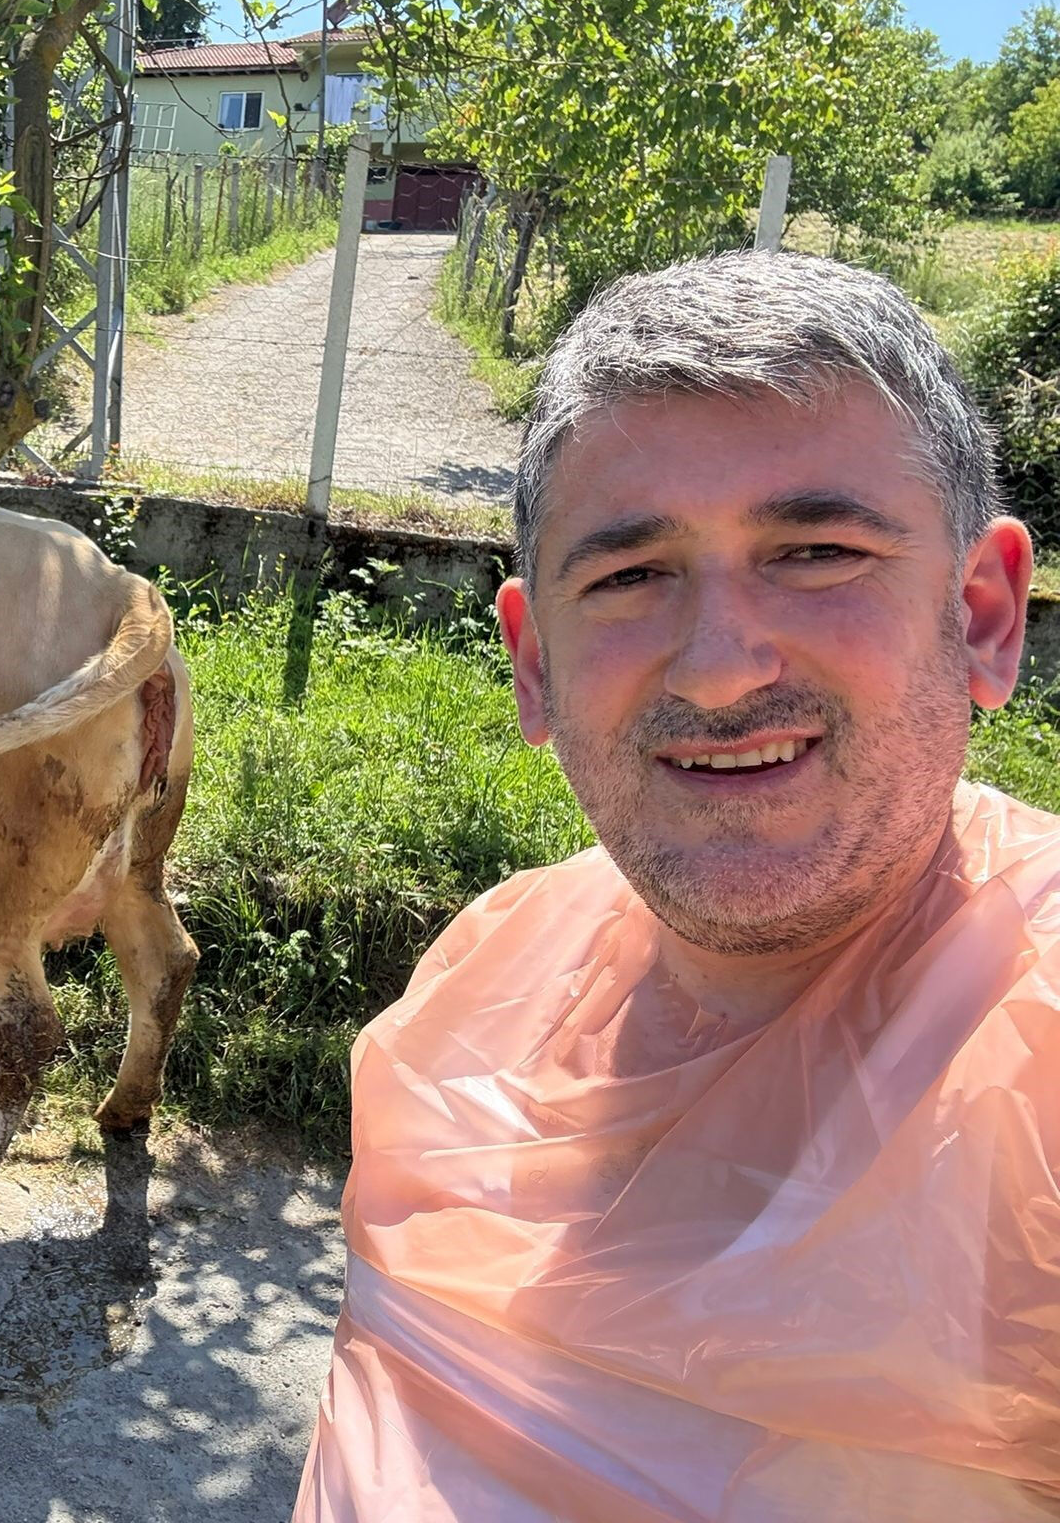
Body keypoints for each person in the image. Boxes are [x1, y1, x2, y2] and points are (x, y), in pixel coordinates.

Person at [294, 250, 1060, 1520]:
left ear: (979, 612)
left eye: (815, 552)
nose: (715, 668)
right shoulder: (481, 978)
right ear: (533, 666)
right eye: (629, 577)